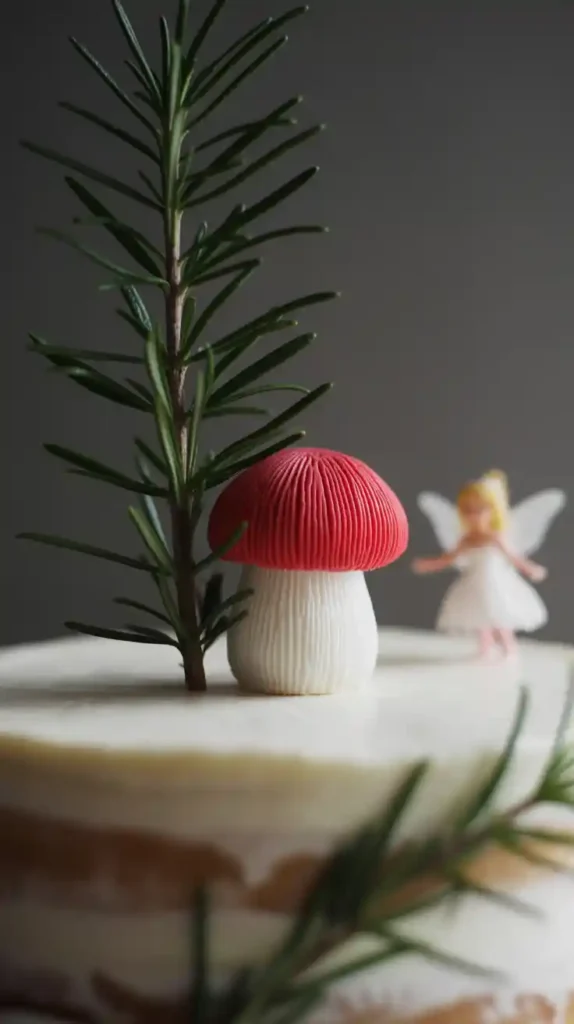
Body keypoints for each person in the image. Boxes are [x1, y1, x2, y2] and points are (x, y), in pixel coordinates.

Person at [412, 471, 548, 659]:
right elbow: (448, 559)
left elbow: (513, 557)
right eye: (468, 510)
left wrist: (530, 568)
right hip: (474, 584)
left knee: (500, 615)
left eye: (480, 510)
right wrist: (428, 565)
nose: (474, 516)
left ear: (494, 510)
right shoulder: (467, 539)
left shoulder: (495, 536)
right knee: (480, 616)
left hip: (497, 583)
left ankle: (508, 647)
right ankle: (485, 647)